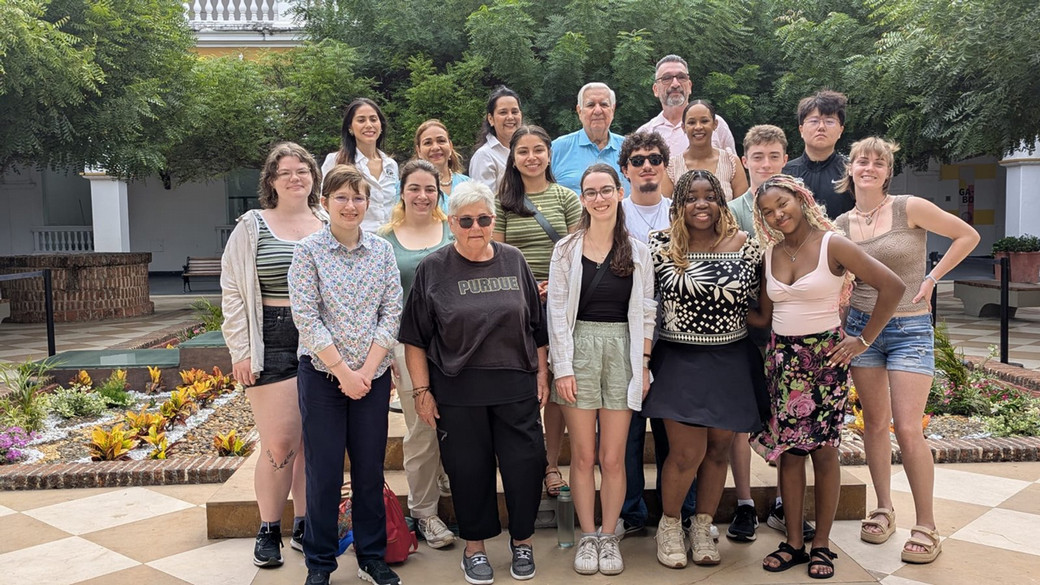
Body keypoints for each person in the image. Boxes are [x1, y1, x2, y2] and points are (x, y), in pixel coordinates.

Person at [749, 174, 903, 579]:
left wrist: (863, 340)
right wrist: (719, 310)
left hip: (825, 360)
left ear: (800, 198)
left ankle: (822, 545)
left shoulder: (833, 243)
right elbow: (764, 317)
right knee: (791, 454)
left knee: (824, 452)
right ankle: (794, 542)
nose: (777, 214)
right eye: (767, 211)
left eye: (782, 204)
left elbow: (893, 285)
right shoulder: (770, 253)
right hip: (783, 360)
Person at [835, 137, 979, 565]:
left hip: (910, 327)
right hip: (862, 330)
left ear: (887, 171)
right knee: (874, 425)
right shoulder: (840, 224)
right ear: (851, 168)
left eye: (878, 163)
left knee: (909, 427)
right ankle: (883, 508)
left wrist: (932, 278)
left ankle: (927, 525)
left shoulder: (908, 207)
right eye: (862, 160)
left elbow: (966, 235)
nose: (869, 167)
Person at [399, 181, 550, 585]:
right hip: (458, 388)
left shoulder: (514, 259)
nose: (475, 227)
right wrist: (422, 392)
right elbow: (414, 338)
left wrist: (543, 374)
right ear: (452, 223)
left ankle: (522, 541)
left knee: (525, 466)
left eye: (484, 219)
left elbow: (537, 326)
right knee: (468, 471)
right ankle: (475, 548)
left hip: (515, 385)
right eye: (466, 220)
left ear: (493, 221)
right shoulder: (433, 267)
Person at [288, 165, 404, 585]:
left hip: (372, 377)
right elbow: (307, 317)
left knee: (370, 470)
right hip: (321, 375)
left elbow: (391, 312)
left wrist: (368, 372)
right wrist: (343, 372)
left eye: (358, 197)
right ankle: (320, 564)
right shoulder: (308, 252)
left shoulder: (382, 252)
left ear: (368, 203)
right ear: (324, 203)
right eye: (341, 197)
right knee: (324, 472)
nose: (350, 205)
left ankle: (372, 558)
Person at [644, 169, 766, 568]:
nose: (701, 203)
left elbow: (763, 310)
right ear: (679, 204)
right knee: (685, 452)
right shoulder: (659, 246)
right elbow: (645, 305)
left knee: (718, 449)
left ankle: (702, 525)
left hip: (730, 359)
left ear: (721, 201)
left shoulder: (748, 247)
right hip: (679, 360)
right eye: (692, 197)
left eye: (710, 196)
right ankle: (669, 524)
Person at [547, 164, 656, 576]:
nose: (599, 198)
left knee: (613, 458)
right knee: (582, 454)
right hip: (579, 350)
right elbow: (557, 311)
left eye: (605, 190)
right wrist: (563, 367)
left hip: (623, 352)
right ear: (582, 198)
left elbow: (647, 312)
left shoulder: (638, 250)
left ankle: (610, 535)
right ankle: (587, 535)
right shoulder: (567, 250)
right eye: (590, 192)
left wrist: (643, 365)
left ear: (619, 192)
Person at [221, 142, 324, 568]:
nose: (295, 177)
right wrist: (241, 350)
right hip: (272, 337)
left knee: (313, 443)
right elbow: (231, 290)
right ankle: (268, 528)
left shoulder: (328, 221)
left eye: (302, 170)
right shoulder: (252, 226)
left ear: (314, 176)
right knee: (280, 441)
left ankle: (304, 523)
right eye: (285, 172)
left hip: (322, 339)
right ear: (271, 181)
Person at [615, 130, 699, 540]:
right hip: (626, 334)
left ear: (665, 166)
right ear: (625, 169)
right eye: (637, 160)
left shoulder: (680, 214)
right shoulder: (613, 214)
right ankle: (631, 511)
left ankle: (680, 510)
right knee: (628, 431)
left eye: (653, 158)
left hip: (676, 338)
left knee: (675, 431)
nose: (646, 165)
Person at [494, 125, 582, 499]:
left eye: (538, 150)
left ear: (549, 154)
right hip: (517, 304)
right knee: (526, 387)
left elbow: (581, 251)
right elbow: (495, 257)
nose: (531, 157)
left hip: (561, 303)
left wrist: (555, 286)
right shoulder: (502, 202)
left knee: (560, 390)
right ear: (513, 158)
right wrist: (529, 287)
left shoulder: (566, 198)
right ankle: (524, 463)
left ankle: (551, 465)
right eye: (523, 151)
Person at [377, 160, 456, 551]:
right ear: (402, 192)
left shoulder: (453, 230)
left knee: (456, 424)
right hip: (408, 349)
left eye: (430, 188)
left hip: (456, 346)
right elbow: (379, 301)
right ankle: (424, 512)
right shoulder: (384, 240)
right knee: (422, 429)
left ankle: (442, 479)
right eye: (414, 188)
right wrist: (388, 352)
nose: (422, 196)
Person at [727, 124, 797, 544]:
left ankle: (785, 505)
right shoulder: (733, 210)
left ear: (784, 160)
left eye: (773, 156)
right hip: (746, 327)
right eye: (758, 157)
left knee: (788, 415)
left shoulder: (798, 205)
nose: (766, 164)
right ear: (744, 161)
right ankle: (745, 504)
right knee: (740, 419)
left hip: (792, 328)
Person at [322, 98, 399, 232]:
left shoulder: (391, 165)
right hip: (351, 239)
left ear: (381, 126)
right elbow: (322, 205)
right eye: (361, 120)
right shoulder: (335, 161)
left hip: (389, 241)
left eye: (373, 119)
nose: (369, 125)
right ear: (350, 127)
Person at [637, 55, 737, 155]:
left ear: (689, 86)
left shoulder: (715, 124)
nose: (675, 84)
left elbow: (734, 167)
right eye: (666, 78)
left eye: (681, 77)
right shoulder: (644, 133)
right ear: (655, 89)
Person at [550, 82, 631, 195]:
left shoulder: (630, 149)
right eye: (590, 105)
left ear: (613, 109)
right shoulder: (557, 149)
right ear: (579, 111)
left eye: (604, 104)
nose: (598, 111)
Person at [782, 91, 852, 220]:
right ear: (801, 130)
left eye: (829, 121)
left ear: (841, 130)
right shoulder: (785, 174)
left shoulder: (851, 172)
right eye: (814, 121)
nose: (821, 127)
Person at [664, 100, 749, 201]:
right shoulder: (671, 167)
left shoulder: (731, 163)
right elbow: (665, 211)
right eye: (691, 122)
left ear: (715, 124)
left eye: (704, 121)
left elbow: (742, 209)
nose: (698, 127)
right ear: (683, 127)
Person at [469, 86, 523, 192]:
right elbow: (485, 202)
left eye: (514, 112)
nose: (510, 117)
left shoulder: (530, 151)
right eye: (503, 112)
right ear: (491, 119)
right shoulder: (484, 156)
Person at [414, 118, 470, 207]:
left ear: (450, 146)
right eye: (428, 143)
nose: (435, 147)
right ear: (419, 151)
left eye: (441, 141)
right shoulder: (408, 187)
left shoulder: (468, 184)